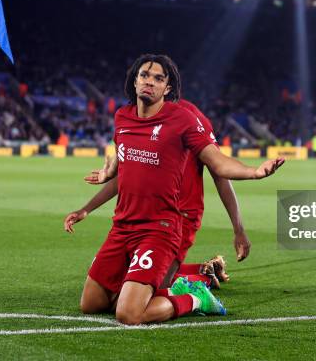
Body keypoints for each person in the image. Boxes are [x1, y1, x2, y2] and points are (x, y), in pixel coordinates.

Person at [63, 54, 284, 325]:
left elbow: (218, 165)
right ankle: (187, 277)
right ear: (134, 80)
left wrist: (254, 172)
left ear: (169, 87)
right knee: (91, 304)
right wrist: (89, 205)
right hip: (122, 226)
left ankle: (195, 298)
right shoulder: (122, 117)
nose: (150, 82)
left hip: (163, 225)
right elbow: (125, 171)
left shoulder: (185, 118)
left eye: (159, 78)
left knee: (129, 314)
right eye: (145, 75)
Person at [82, 98, 251, 290]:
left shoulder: (190, 117)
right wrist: (87, 209)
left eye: (159, 78)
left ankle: (201, 286)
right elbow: (128, 175)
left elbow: (220, 172)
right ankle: (203, 271)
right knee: (117, 281)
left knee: (146, 292)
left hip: (180, 216)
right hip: (145, 215)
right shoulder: (137, 117)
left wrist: (238, 229)